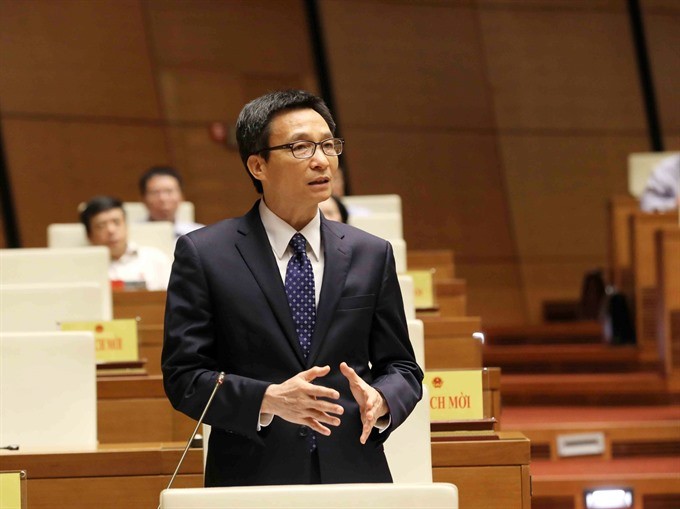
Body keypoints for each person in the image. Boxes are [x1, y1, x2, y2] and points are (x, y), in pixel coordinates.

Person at [162, 90, 422, 487]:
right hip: (251, 476)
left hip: (353, 473)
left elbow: (402, 368)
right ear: (258, 164)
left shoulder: (371, 253)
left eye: (328, 145)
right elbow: (184, 376)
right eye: (300, 147)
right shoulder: (205, 254)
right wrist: (266, 399)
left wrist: (383, 399)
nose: (322, 160)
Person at [80, 195, 172, 291]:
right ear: (89, 235)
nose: (111, 230)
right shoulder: (82, 269)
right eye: (101, 226)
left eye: (116, 222)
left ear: (126, 226)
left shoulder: (155, 259)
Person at [139, 166, 204, 237]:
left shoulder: (199, 234)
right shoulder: (132, 233)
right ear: (143, 199)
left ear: (181, 196)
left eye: (169, 191)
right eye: (155, 192)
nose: (162, 199)